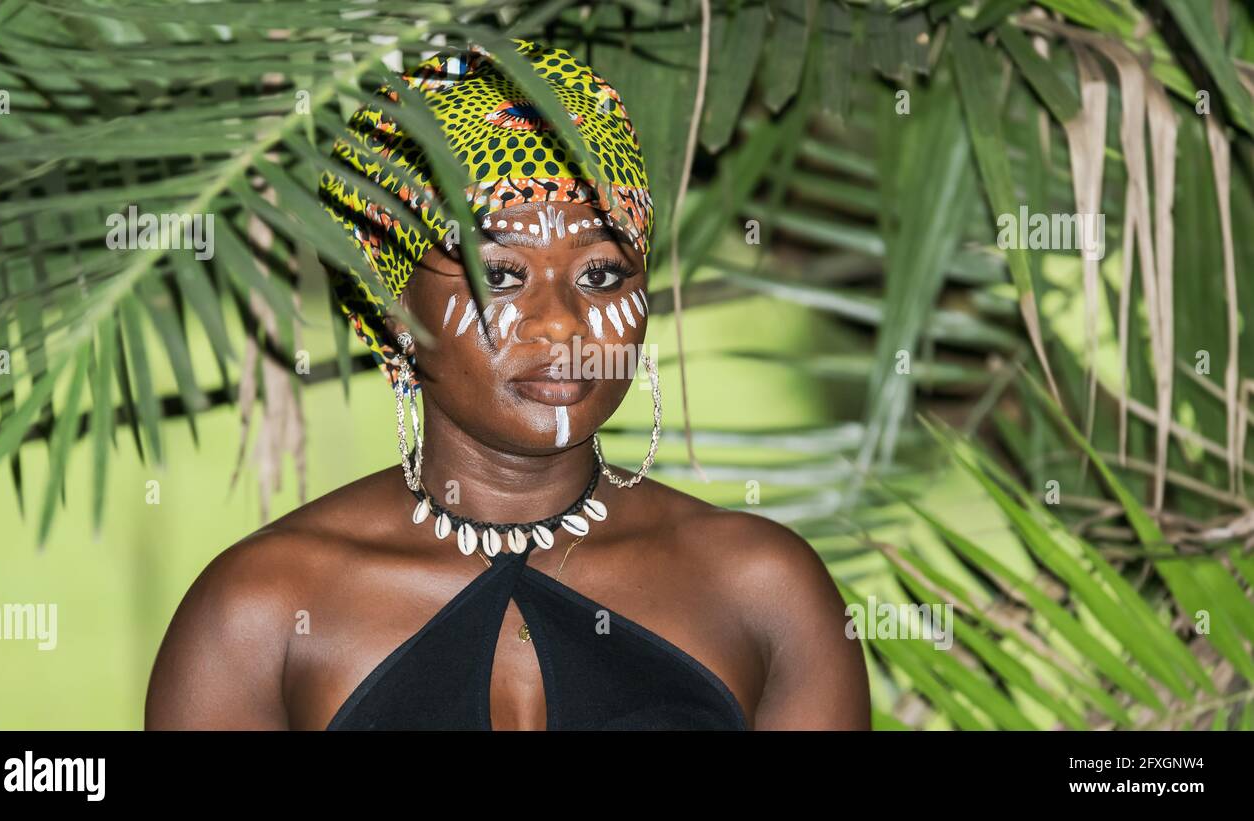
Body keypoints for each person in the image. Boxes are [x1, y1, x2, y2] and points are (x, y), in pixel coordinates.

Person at [145, 39, 870, 730]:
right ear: (391, 308)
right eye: (500, 275)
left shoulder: (765, 594)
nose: (559, 325)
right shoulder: (258, 614)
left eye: (602, 274)